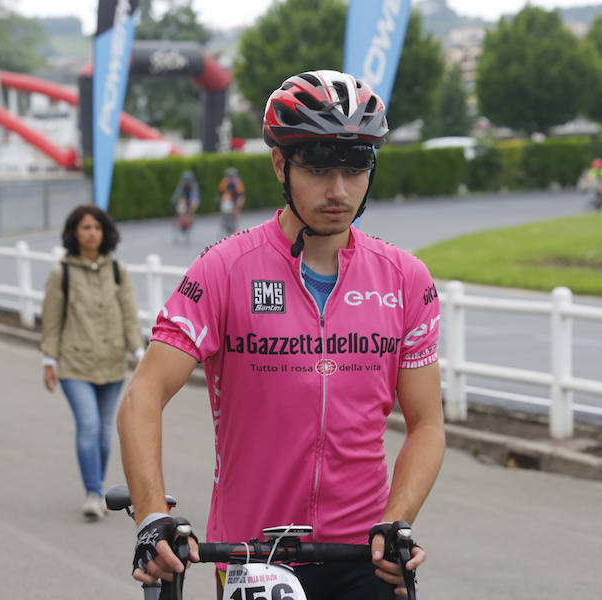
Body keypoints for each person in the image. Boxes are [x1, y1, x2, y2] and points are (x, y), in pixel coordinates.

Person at [117, 70, 446, 600]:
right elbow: (142, 396)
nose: (338, 190)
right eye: (317, 169)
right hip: (254, 554)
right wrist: (152, 514)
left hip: (365, 550)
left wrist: (397, 520)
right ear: (280, 164)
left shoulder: (406, 280)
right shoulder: (224, 269)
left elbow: (427, 423)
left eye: (354, 168)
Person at [40, 204, 145, 520]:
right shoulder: (63, 272)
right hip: (75, 363)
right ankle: (92, 492)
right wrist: (49, 359)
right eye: (85, 228)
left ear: (105, 233)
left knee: (102, 430)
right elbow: (52, 319)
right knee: (87, 425)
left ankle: (97, 489)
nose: (91, 233)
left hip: (112, 362)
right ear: (74, 233)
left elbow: (129, 313)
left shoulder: (117, 270)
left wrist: (139, 352)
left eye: (96, 228)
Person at [171, 170, 200, 243]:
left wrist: (194, 203)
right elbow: (177, 193)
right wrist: (174, 200)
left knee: (190, 214)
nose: (187, 182)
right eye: (186, 180)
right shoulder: (182, 185)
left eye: (189, 180)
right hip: (183, 202)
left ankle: (189, 229)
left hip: (190, 202)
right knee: (179, 212)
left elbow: (195, 196)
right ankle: (178, 225)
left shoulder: (194, 186)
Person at [217, 166, 245, 236]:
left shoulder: (237, 182)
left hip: (236, 198)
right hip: (228, 199)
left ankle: (235, 226)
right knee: (224, 209)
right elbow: (221, 191)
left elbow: (241, 193)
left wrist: (238, 202)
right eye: (229, 176)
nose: (230, 178)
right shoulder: (224, 181)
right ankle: (225, 223)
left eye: (232, 176)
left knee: (236, 210)